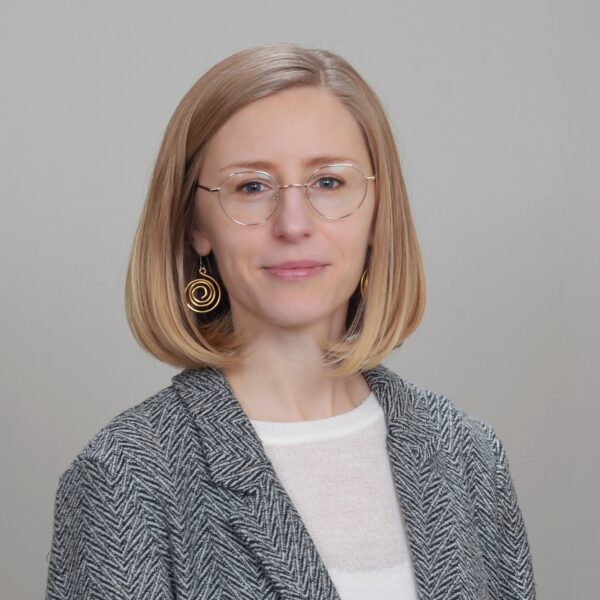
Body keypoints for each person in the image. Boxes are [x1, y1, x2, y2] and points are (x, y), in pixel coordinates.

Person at [46, 43, 536, 599]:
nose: (294, 224)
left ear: (378, 211)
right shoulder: (125, 477)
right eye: (251, 187)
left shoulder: (468, 454)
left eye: (329, 181)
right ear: (195, 225)